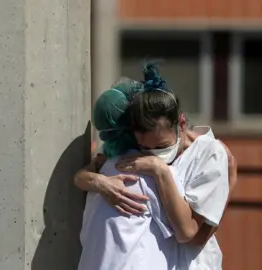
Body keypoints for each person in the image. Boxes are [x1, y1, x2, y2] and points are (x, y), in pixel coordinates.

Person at [76, 63, 237, 270]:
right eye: (145, 147)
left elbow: (191, 234)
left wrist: (157, 169)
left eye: (161, 146)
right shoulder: (131, 154)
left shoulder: (209, 155)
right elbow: (84, 174)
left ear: (180, 123)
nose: (154, 153)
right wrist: (100, 182)